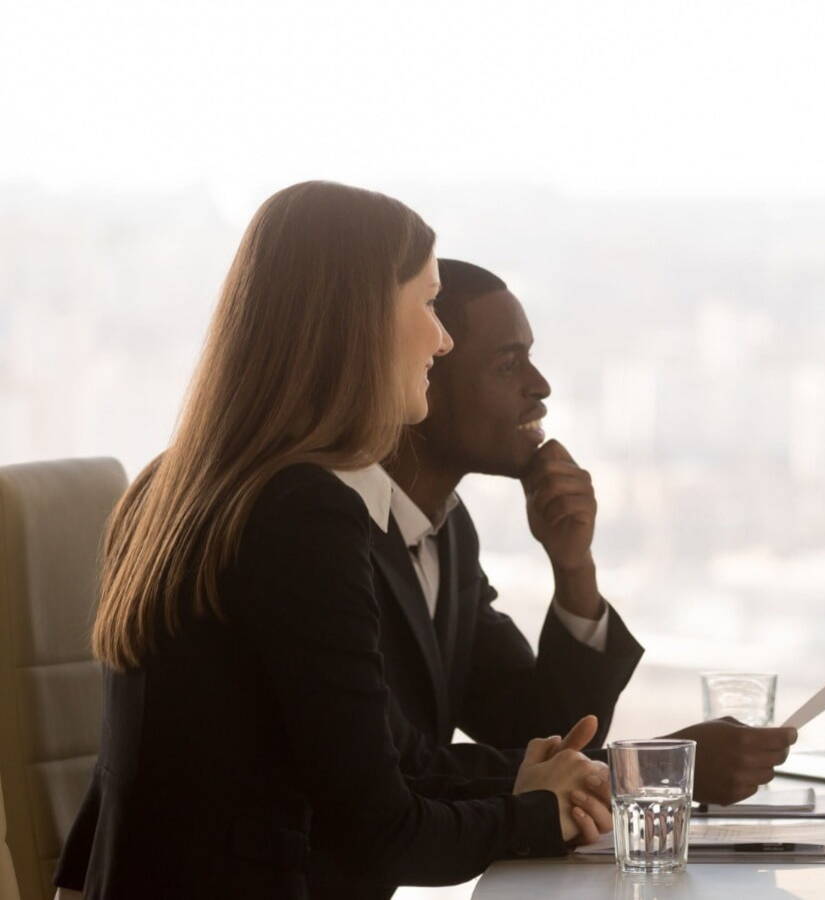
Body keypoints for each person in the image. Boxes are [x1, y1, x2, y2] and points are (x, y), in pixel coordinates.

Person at [55, 182, 610, 898]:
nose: (440, 340)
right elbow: (384, 832)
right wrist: (540, 813)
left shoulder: (180, 485)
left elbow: (388, 756)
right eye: (427, 304)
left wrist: (543, 783)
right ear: (363, 321)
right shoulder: (301, 511)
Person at [370, 258, 795, 806]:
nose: (540, 386)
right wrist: (652, 770)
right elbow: (403, 771)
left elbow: (538, 733)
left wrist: (574, 567)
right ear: (425, 371)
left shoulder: (446, 534)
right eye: (508, 363)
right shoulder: (336, 536)